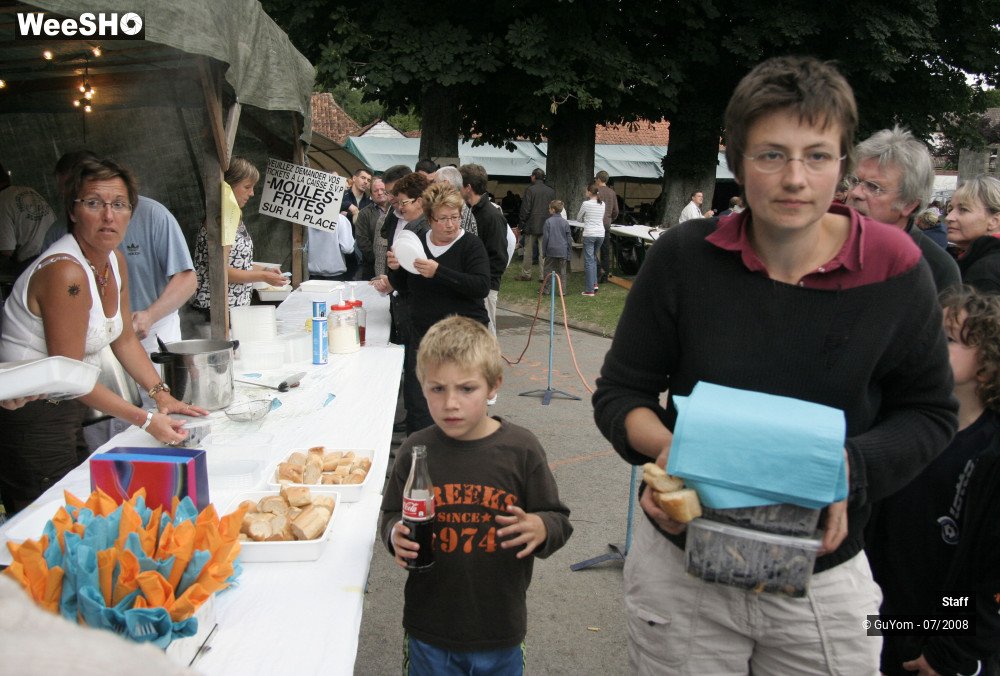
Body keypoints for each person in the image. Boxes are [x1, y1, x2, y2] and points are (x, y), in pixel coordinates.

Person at [592, 56, 957, 674]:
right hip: (683, 572)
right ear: (736, 162)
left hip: (822, 574)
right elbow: (620, 394)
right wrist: (674, 453)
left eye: (817, 156)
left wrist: (843, 470)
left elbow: (929, 412)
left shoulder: (896, 267)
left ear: (841, 164)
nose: (795, 178)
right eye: (771, 155)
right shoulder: (684, 258)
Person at [0, 158, 206, 515]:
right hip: (32, 415)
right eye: (94, 203)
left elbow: (123, 339)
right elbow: (70, 374)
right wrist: (145, 420)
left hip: (66, 406)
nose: (109, 216)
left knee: (86, 509)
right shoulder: (65, 272)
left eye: (119, 204)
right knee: (50, 521)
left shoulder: (113, 261)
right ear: (73, 211)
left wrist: (162, 396)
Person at [380, 315, 572, 675]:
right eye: (437, 389)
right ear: (421, 386)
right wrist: (394, 535)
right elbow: (390, 514)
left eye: (467, 389)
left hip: (500, 628)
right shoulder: (416, 450)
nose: (451, 403)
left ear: (493, 385)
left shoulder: (521, 450)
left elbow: (558, 519)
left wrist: (541, 527)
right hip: (429, 628)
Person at [866, 286, 1000, 676]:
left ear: (987, 367)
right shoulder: (895, 420)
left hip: (938, 631)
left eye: (950, 339)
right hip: (875, 614)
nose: (932, 345)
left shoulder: (990, 454)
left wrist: (950, 651)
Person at [39, 150, 196, 352]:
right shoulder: (58, 242)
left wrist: (150, 315)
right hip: (86, 337)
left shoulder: (153, 217)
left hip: (152, 331)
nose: (108, 216)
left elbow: (187, 279)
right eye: (67, 193)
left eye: (118, 205)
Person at [386, 182, 489, 435]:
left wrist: (439, 272)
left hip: (463, 339)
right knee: (420, 404)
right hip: (424, 336)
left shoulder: (471, 245)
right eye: (443, 218)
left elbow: (480, 286)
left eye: (455, 217)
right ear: (430, 218)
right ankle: (420, 454)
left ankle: (464, 454)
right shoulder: (417, 244)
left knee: (461, 405)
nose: (451, 224)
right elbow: (405, 286)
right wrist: (395, 269)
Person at [846, 126, 960, 293]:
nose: (855, 193)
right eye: (854, 181)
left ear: (909, 204)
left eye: (873, 187)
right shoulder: (824, 245)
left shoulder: (937, 269)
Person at [190, 157, 286, 318]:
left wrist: (265, 270)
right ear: (229, 186)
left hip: (233, 310)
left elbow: (238, 263)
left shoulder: (233, 216)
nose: (252, 193)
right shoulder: (220, 220)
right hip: (214, 312)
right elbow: (219, 270)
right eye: (247, 187)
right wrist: (263, 276)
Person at [459, 164, 510, 335]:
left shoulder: (492, 216)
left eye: (460, 185)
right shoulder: (469, 211)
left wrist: (482, 280)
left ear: (468, 188)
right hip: (470, 284)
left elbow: (499, 257)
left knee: (486, 334)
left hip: (486, 286)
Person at [944, 175, 1000, 294]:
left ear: (994, 221)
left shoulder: (985, 272)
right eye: (950, 209)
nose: (949, 217)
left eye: (963, 209)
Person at [0, 161, 55, 278]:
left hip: (33, 264)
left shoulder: (2, 200)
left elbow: (6, 251)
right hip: (55, 253)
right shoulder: (28, 191)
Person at [517, 168, 555, 282]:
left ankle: (526, 274)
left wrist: (521, 224)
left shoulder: (530, 190)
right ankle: (544, 276)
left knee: (528, 252)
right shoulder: (551, 191)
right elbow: (553, 209)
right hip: (546, 224)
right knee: (543, 252)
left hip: (531, 225)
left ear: (534, 177)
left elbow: (525, 209)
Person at [354, 177, 392, 279]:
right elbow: (362, 241)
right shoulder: (364, 213)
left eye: (382, 189)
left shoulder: (396, 210)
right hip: (371, 267)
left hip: (394, 265)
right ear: (371, 195)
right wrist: (378, 257)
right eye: (375, 191)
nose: (380, 193)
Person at [306, 213, 357, 280]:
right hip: (336, 275)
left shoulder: (307, 218)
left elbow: (304, 247)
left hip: (313, 275)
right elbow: (347, 248)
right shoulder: (340, 219)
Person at [576, 183, 605, 297]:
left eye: (586, 191)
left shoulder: (586, 204)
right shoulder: (602, 203)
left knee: (589, 261)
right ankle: (594, 284)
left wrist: (586, 219)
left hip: (590, 234)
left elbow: (578, 218)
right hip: (600, 234)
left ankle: (589, 290)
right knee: (593, 258)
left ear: (589, 192)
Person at [541, 200, 572, 295]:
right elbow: (569, 239)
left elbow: (545, 239)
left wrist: (544, 252)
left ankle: (546, 289)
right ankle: (562, 291)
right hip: (562, 250)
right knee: (562, 272)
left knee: (548, 271)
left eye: (549, 208)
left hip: (551, 250)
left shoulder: (548, 222)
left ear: (553, 210)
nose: (548, 210)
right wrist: (569, 253)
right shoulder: (565, 222)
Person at [594, 170, 620, 283]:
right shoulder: (612, 193)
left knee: (591, 250)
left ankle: (599, 270)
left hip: (595, 223)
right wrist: (610, 218)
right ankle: (605, 276)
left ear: (599, 179)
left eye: (596, 179)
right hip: (606, 224)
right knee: (605, 251)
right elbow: (616, 211)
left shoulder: (595, 191)